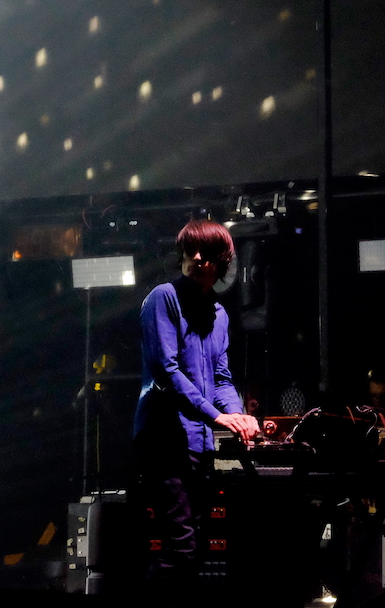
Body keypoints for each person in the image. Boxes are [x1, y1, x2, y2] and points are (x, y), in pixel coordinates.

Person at [134, 219, 259, 587]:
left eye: (205, 251)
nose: (196, 257)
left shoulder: (219, 315)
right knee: (182, 550)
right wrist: (218, 416)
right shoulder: (163, 298)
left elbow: (221, 378)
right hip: (164, 438)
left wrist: (237, 415)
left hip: (198, 443)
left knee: (194, 550)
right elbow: (167, 373)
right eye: (190, 250)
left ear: (223, 260)